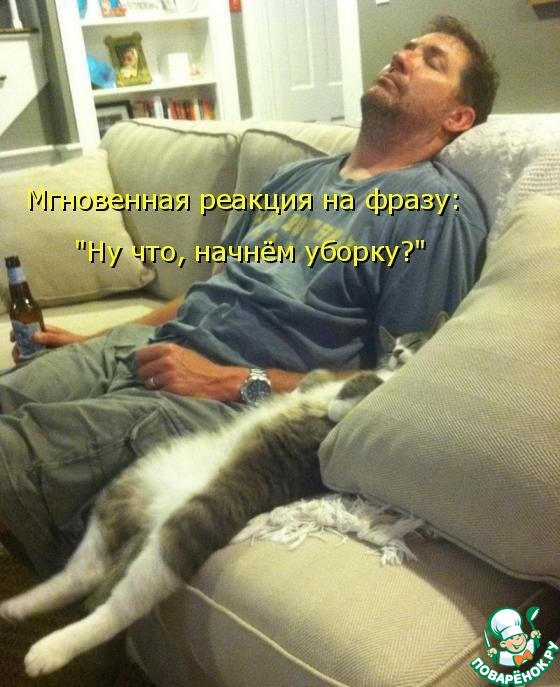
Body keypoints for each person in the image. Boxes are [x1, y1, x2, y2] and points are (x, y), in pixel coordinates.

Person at [0, 16, 499, 575]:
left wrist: (230, 380)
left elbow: (398, 384)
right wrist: (92, 339)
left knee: (12, 452)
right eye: (407, 46)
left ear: (458, 118)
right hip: (142, 350)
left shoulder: (435, 214)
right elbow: (213, 289)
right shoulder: (294, 177)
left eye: (432, 61)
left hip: (220, 402)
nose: (402, 56)